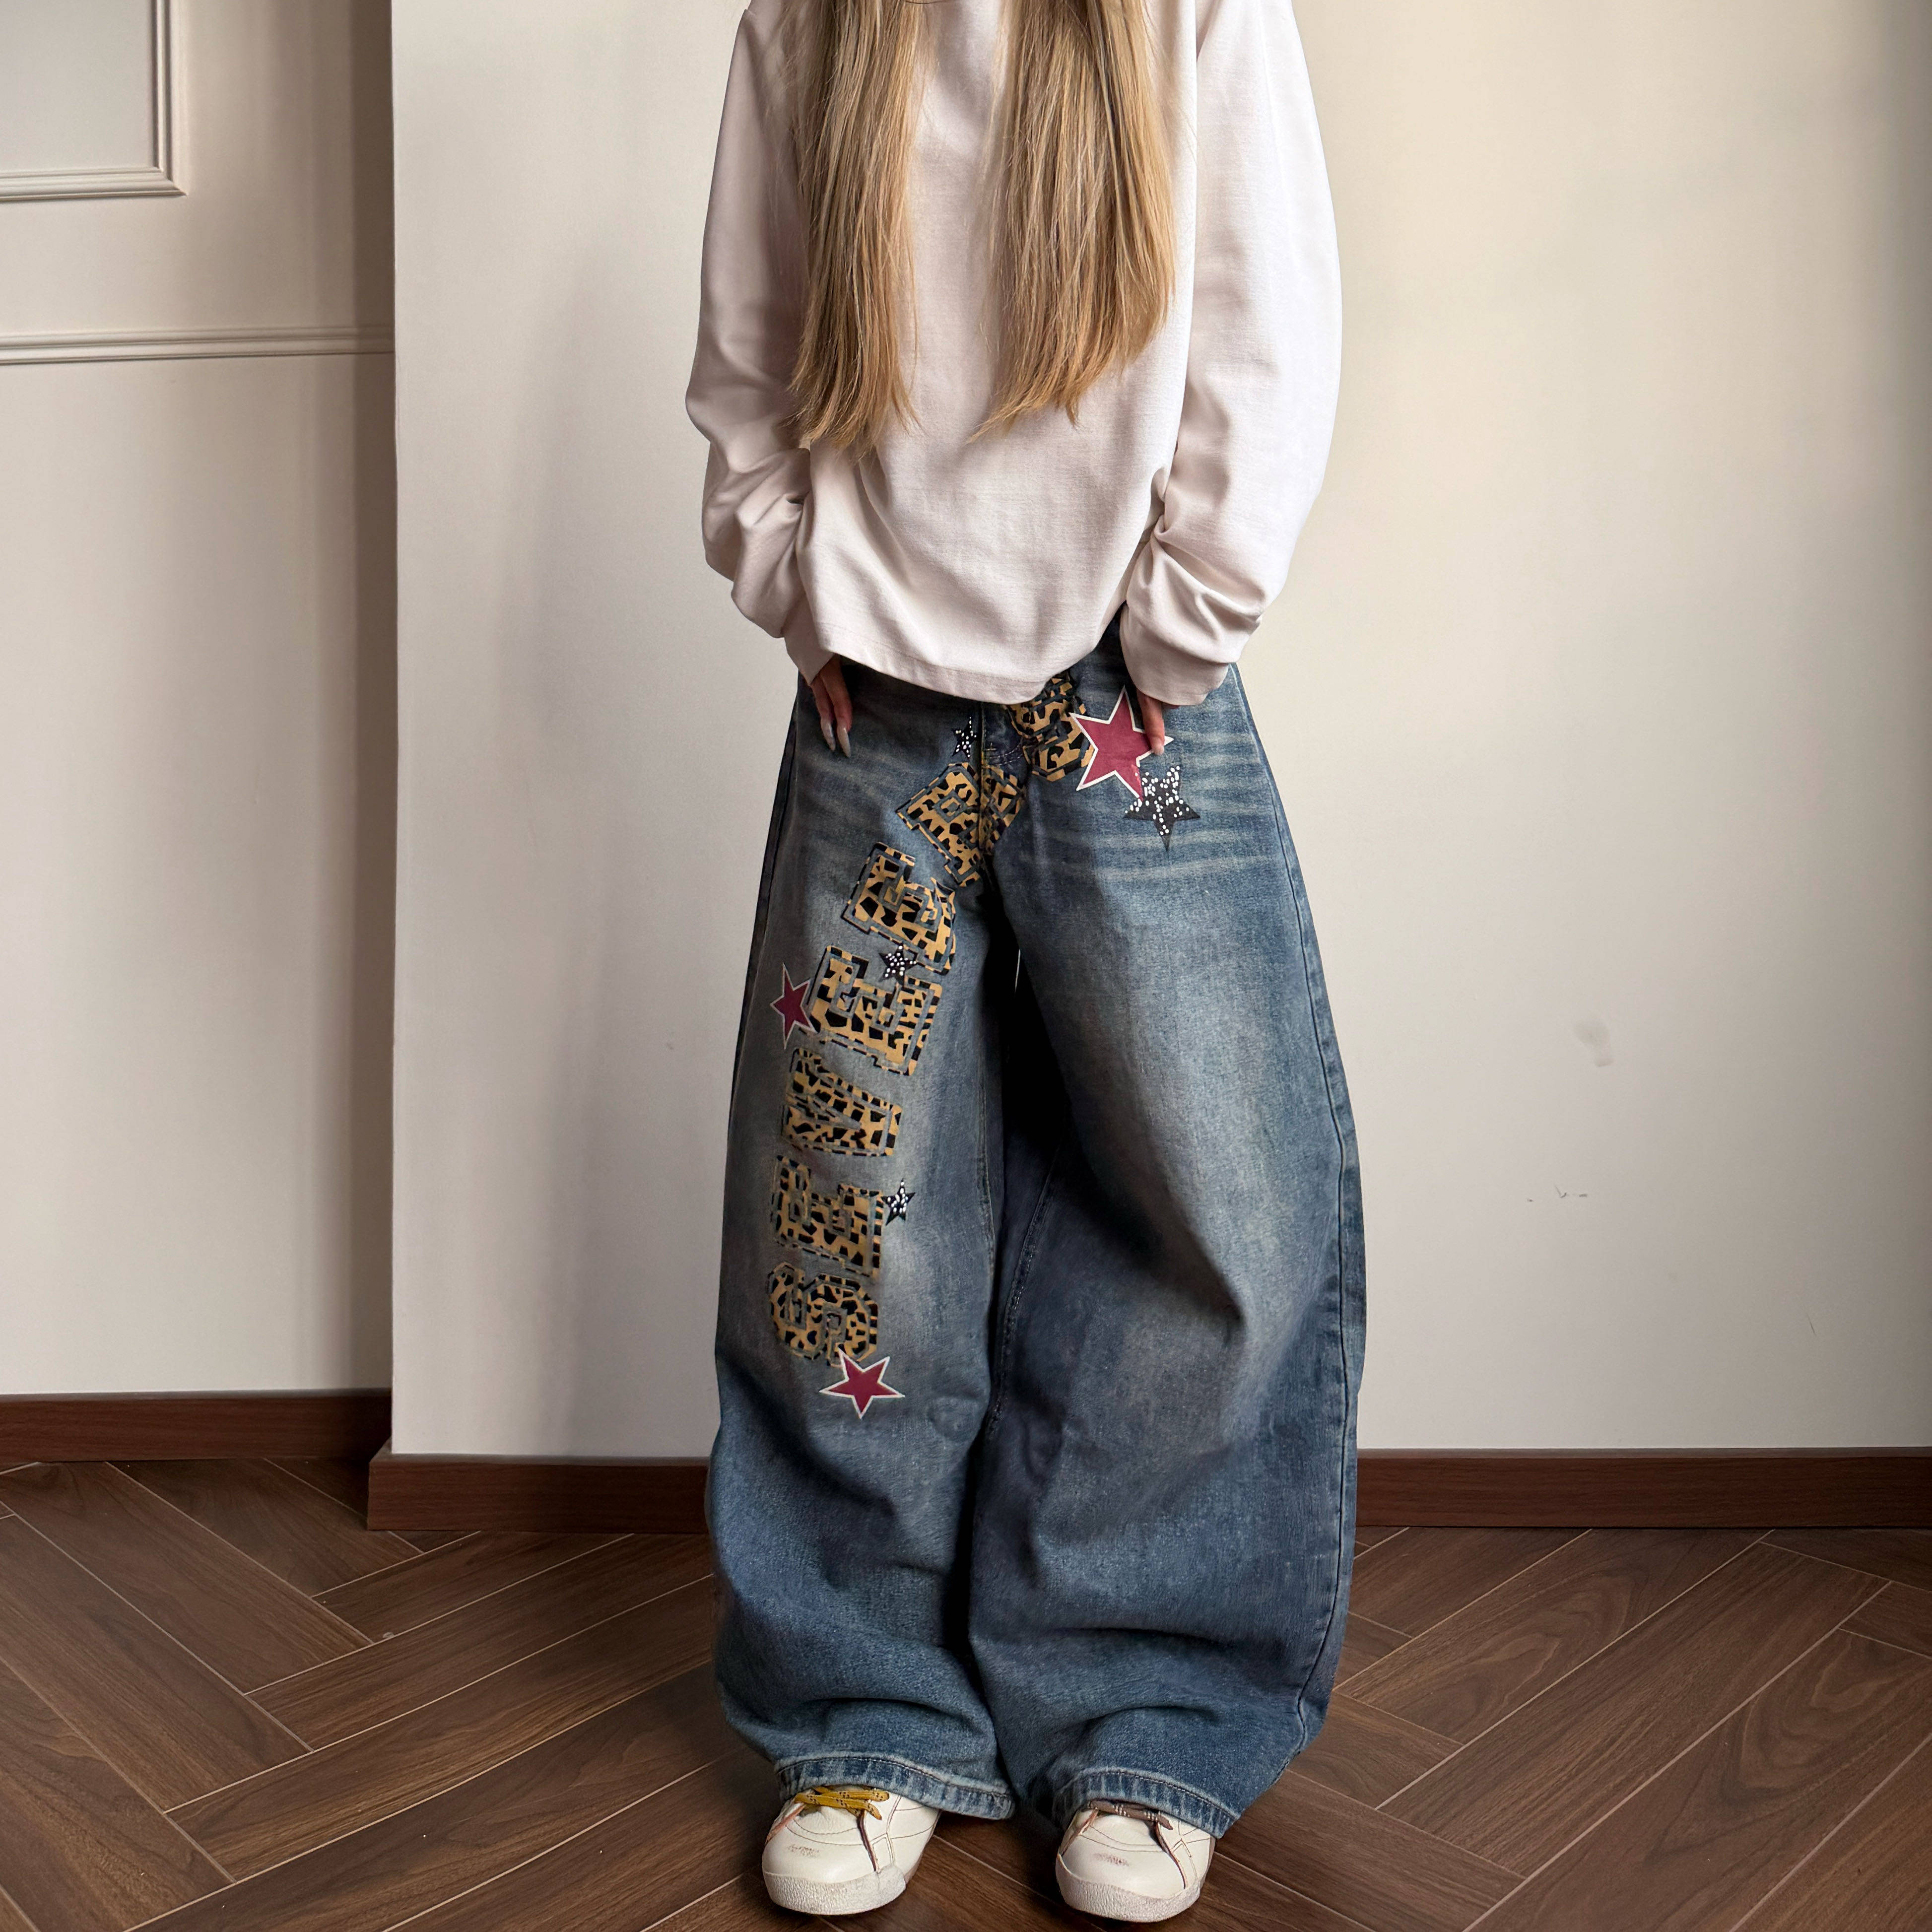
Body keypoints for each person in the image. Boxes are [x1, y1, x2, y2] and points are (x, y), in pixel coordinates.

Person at [685, 0, 1359, 1918]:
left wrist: (1181, 623)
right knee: (851, 1235)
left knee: (1205, 1208)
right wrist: (794, 580)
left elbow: (1264, 319)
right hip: (876, 698)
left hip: (1128, 697)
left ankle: (1147, 1710)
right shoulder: (811, 21)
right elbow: (749, 337)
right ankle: (865, 1705)